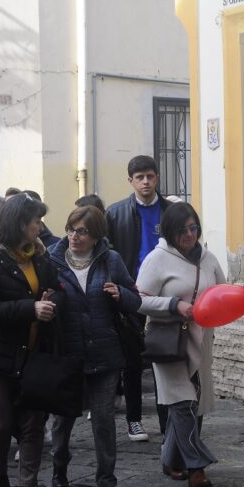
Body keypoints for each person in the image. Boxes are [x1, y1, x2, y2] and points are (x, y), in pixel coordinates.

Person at [0, 192, 64, 487]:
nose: (41, 226)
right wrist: (31, 308)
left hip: (34, 354)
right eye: (36, 220)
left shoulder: (40, 257)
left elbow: (56, 287)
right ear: (20, 224)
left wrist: (53, 298)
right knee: (2, 423)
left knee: (33, 424)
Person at [47, 206, 140, 487]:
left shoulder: (110, 260)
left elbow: (134, 297)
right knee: (62, 419)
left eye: (82, 231)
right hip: (66, 354)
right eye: (71, 229)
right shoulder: (51, 258)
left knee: (103, 422)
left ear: (97, 235)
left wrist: (120, 295)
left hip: (105, 353)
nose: (75, 236)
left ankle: (107, 484)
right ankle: (59, 466)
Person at [135, 202, 225, 487]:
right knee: (183, 404)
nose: (189, 234)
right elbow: (138, 299)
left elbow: (221, 291)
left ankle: (170, 458)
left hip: (201, 341)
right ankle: (196, 469)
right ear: (170, 232)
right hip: (169, 341)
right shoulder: (156, 259)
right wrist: (174, 305)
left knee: (193, 404)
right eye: (183, 229)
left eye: (193, 227)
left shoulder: (209, 258)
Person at [105, 155, 172, 443]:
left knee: (167, 357)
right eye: (140, 177)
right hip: (131, 294)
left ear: (157, 178)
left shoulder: (172, 212)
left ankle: (167, 420)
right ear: (130, 181)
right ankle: (134, 420)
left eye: (150, 176)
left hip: (167, 293)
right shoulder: (116, 213)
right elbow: (107, 253)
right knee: (132, 361)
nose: (146, 182)